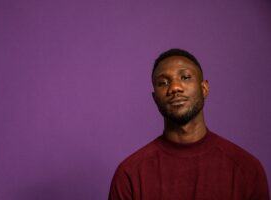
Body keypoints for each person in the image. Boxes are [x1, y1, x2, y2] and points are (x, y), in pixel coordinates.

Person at [108, 48, 270, 200]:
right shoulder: (130, 174)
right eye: (163, 82)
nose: (175, 87)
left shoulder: (247, 169)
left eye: (185, 77)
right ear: (155, 98)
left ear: (204, 88)